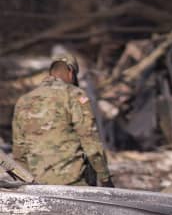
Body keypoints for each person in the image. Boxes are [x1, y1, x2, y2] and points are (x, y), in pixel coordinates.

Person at [12, 53, 112, 186]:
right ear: (70, 72)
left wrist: (26, 183)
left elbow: (19, 151)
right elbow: (90, 142)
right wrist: (105, 179)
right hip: (72, 183)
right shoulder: (75, 95)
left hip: (36, 185)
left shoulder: (23, 100)